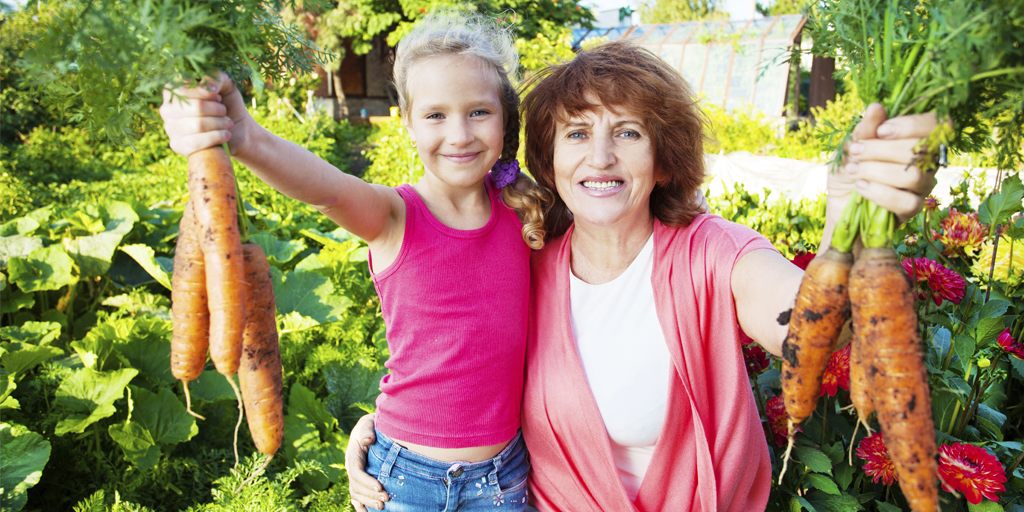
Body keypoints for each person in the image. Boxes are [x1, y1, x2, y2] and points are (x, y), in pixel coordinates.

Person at [346, 41, 938, 511]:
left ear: (663, 157)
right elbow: (447, 338)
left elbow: (812, 331)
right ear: (550, 160)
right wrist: (389, 434)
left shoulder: (711, 253)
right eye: (577, 134)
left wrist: (845, 236)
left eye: (627, 132)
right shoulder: (532, 253)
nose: (599, 157)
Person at [160, 12, 551, 511]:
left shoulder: (525, 213)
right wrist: (246, 137)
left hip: (503, 481)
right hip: (405, 481)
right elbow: (327, 189)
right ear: (406, 120)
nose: (460, 135)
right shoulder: (394, 215)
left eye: (479, 112)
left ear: (504, 116)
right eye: (435, 115)